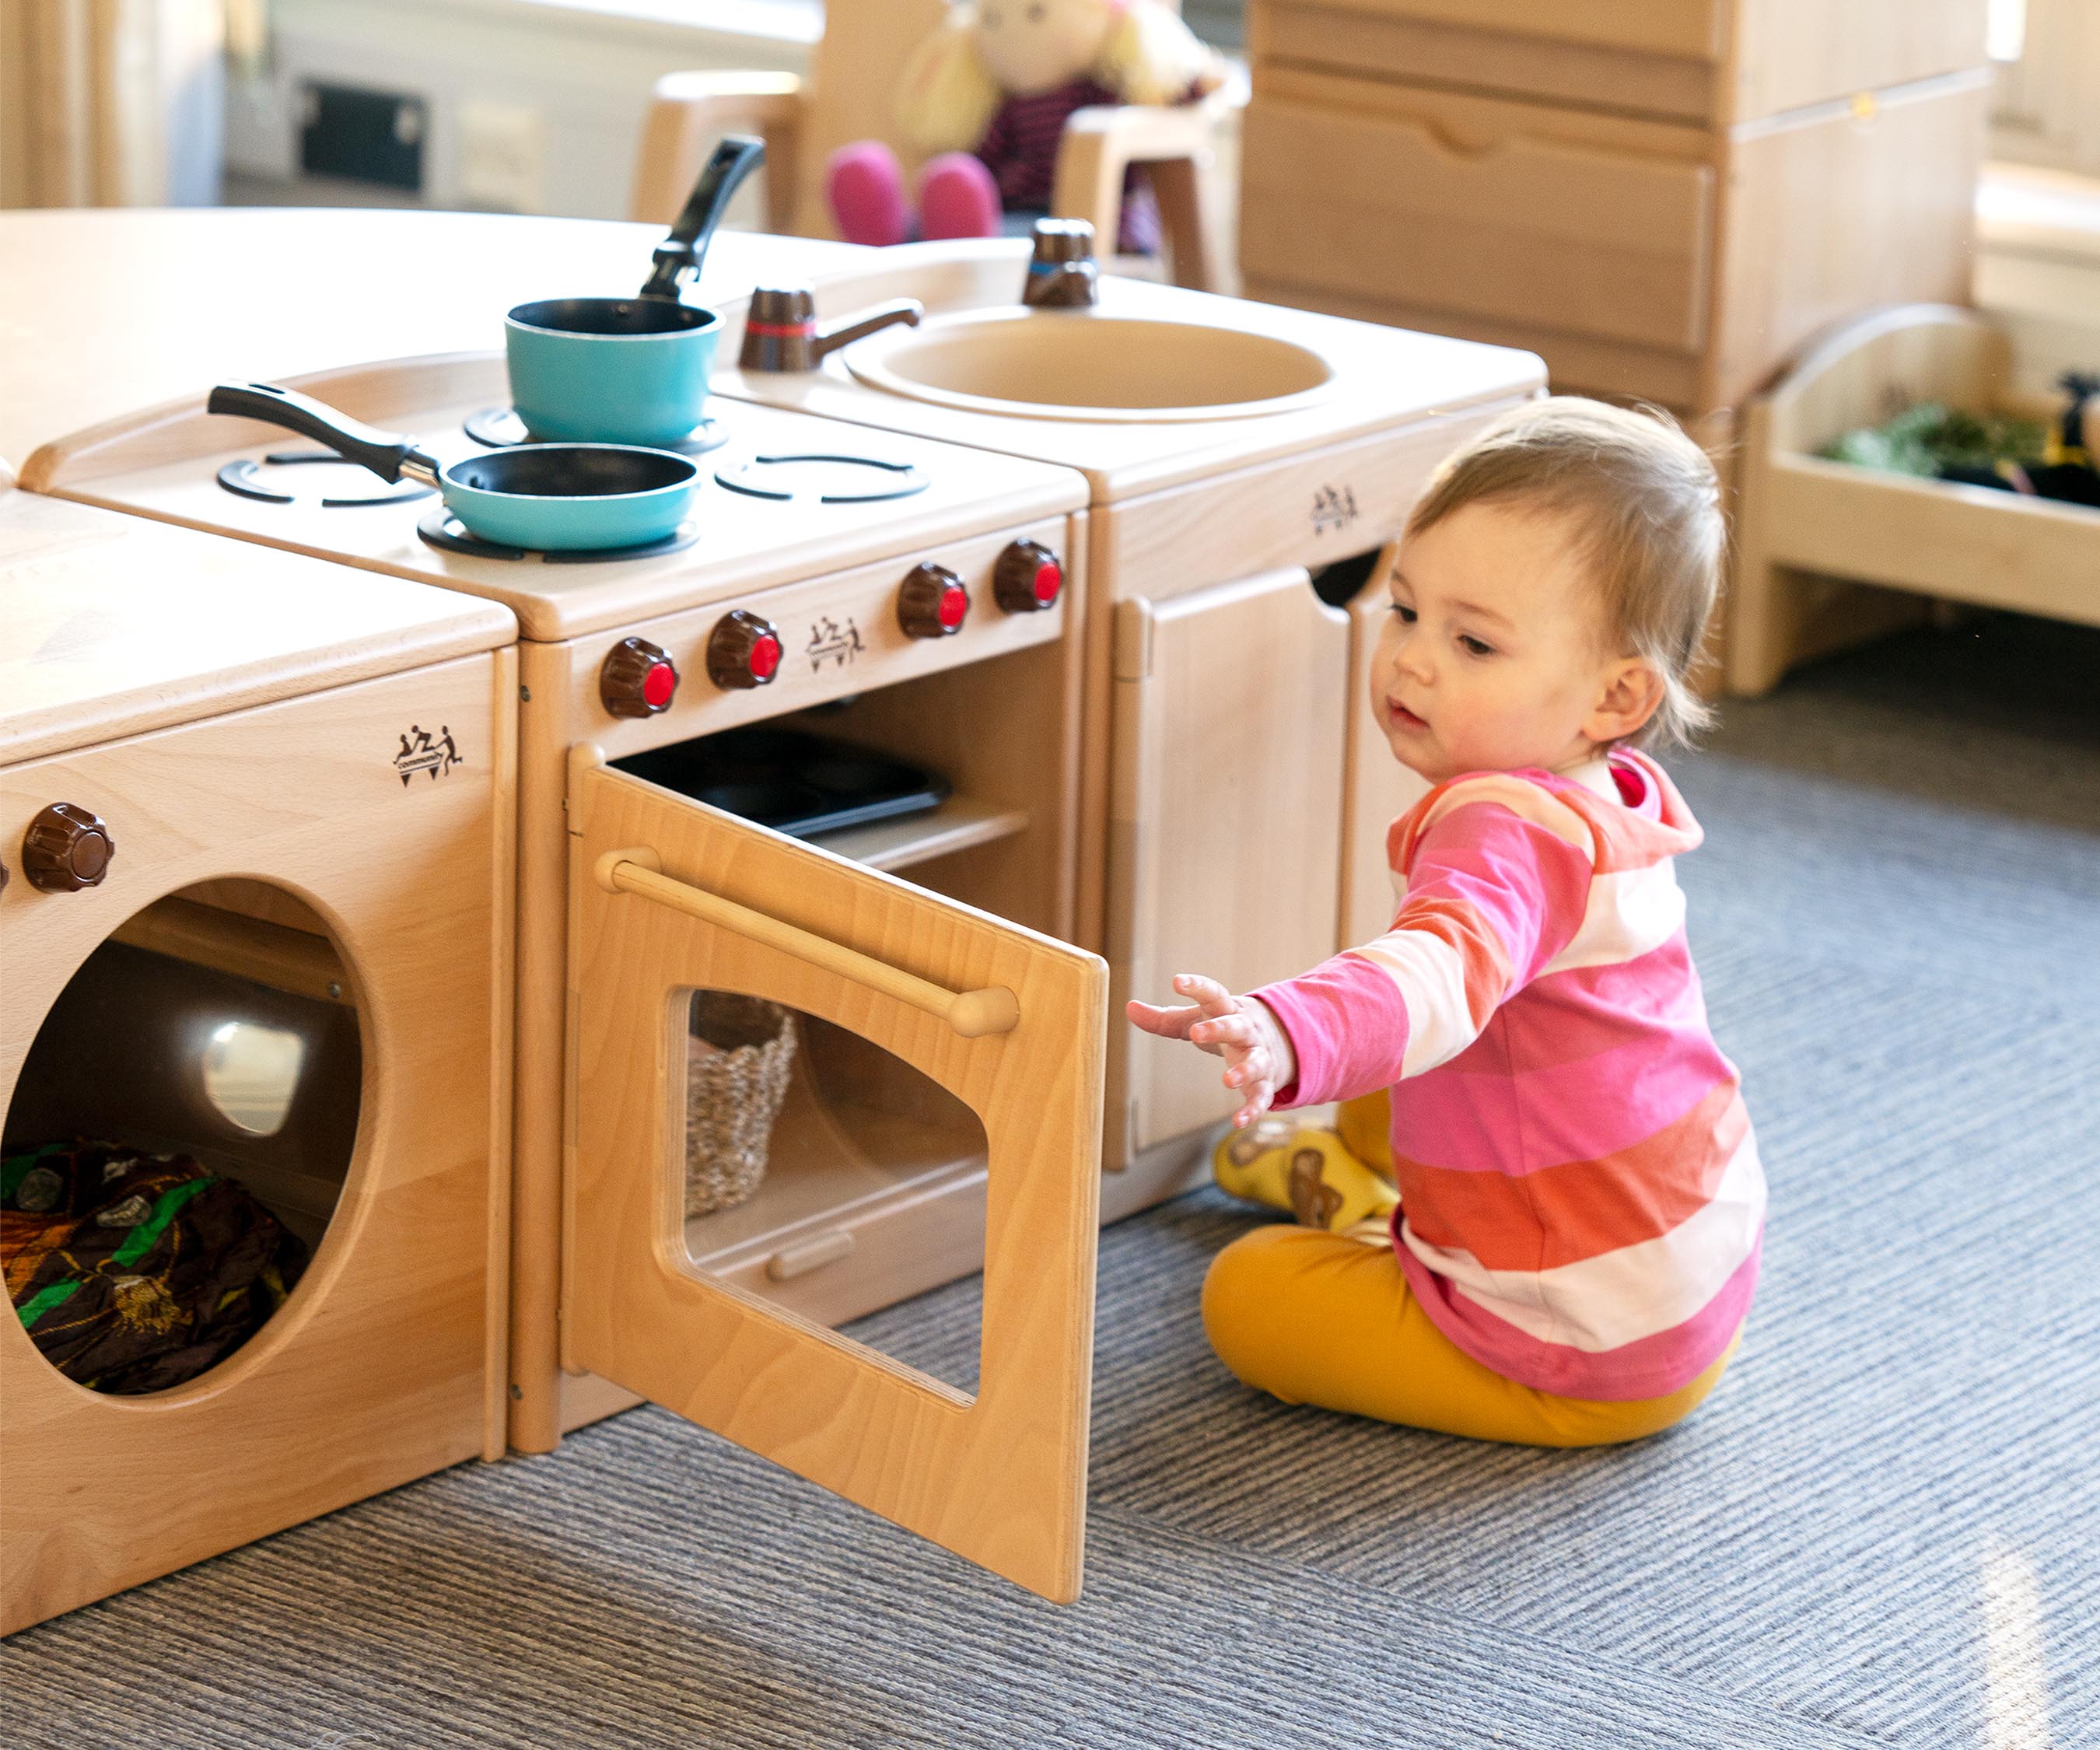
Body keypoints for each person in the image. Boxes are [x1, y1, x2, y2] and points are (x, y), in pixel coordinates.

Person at [1128, 397, 1764, 1447]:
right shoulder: (1611, 794)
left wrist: (1289, 1030)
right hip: (1690, 1271)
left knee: (1248, 1296)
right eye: (1406, 611)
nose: (1413, 660)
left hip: (1582, 1344)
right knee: (1393, 1080)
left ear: (1616, 698)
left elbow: (1435, 972)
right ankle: (1359, 1182)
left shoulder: (1504, 833)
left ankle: (1364, 1217)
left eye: (1473, 642)